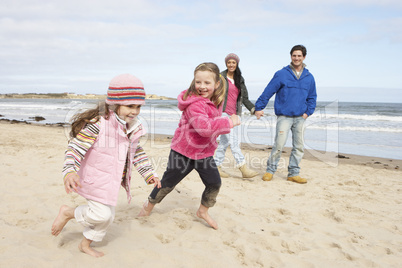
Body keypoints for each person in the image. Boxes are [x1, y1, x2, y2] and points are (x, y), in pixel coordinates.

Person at [51, 74, 161, 257]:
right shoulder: (99, 124)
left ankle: (85, 244)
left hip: (110, 181)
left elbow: (137, 153)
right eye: (129, 106)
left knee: (108, 217)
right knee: (101, 215)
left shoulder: (132, 128)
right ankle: (68, 213)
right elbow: (75, 148)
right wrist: (69, 171)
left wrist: (149, 173)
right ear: (115, 104)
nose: (134, 111)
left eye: (138, 106)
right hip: (93, 179)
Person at [138, 62, 241, 230]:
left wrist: (231, 115)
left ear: (216, 84)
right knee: (167, 184)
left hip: (203, 153)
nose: (202, 86)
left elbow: (215, 118)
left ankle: (202, 211)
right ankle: (148, 206)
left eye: (207, 83)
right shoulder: (194, 103)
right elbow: (204, 128)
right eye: (198, 82)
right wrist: (228, 122)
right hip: (183, 152)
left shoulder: (216, 101)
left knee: (214, 183)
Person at [254, 45, 317, 184]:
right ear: (291, 56)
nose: (296, 58)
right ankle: (270, 171)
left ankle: (293, 173)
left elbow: (312, 97)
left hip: (300, 118)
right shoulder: (282, 74)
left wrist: (307, 113)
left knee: (299, 147)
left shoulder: (309, 77)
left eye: (299, 55)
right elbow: (268, 91)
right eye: (294, 55)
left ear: (304, 57)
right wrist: (258, 107)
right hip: (284, 117)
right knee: (279, 145)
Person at [214, 53, 260, 178]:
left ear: (237, 63)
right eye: (229, 62)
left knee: (224, 142)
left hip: (233, 114)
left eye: (233, 62)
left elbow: (244, 98)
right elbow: (213, 92)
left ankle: (216, 166)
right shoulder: (220, 77)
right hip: (222, 113)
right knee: (233, 141)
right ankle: (243, 167)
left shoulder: (240, 79)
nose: (231, 65)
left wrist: (254, 109)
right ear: (226, 64)